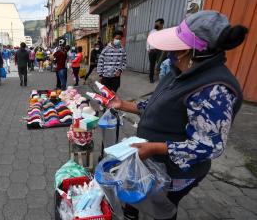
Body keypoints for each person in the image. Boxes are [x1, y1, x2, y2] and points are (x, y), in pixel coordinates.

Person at [106, 11, 247, 220]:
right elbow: (160, 105)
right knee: (137, 197)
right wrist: (124, 104)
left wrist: (154, 147)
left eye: (177, 45)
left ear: (194, 51)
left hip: (178, 170)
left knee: (163, 208)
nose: (170, 50)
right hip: (153, 158)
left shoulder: (214, 89)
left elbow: (209, 145)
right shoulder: (179, 70)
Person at [147, 18, 165, 83]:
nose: (156, 24)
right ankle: (151, 78)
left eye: (157, 23)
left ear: (162, 24)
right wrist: (148, 49)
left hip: (160, 50)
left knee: (160, 64)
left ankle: (161, 78)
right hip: (151, 51)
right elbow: (148, 40)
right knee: (152, 65)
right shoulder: (152, 31)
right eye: (155, 23)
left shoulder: (164, 32)